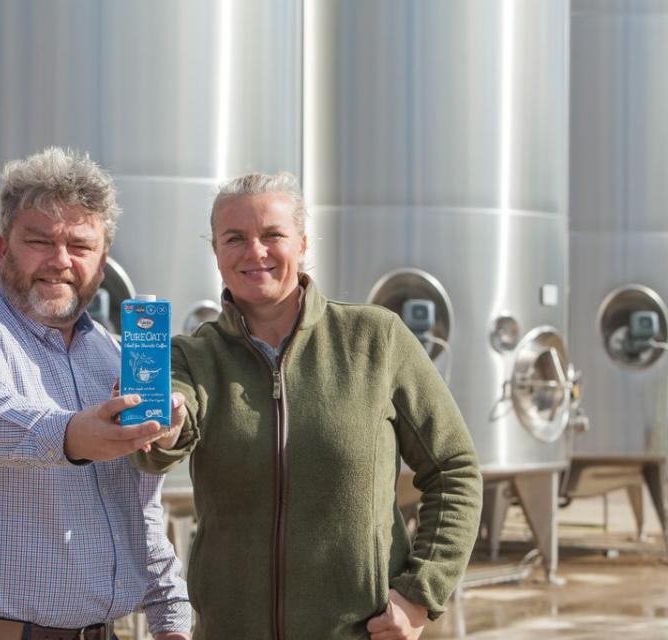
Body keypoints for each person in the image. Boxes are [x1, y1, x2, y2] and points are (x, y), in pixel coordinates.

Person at [135, 172, 482, 640]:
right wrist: (164, 427)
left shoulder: (376, 339)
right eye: (234, 238)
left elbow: (454, 469)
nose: (254, 252)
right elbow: (166, 433)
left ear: (302, 244)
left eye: (272, 235)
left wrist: (420, 595)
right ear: (216, 251)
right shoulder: (192, 356)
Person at [0, 147, 192, 640]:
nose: (59, 261)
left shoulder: (115, 357)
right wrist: (75, 435)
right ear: (2, 248)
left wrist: (172, 624)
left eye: (80, 246)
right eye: (39, 241)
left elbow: (140, 512)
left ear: (102, 265)